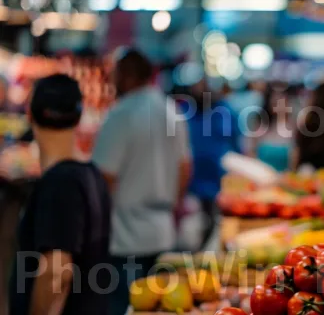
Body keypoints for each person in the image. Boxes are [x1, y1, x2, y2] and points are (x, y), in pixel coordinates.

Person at [92, 48, 191, 315]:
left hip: (125, 238)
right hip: (162, 232)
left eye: (114, 76)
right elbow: (185, 167)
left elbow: (104, 178)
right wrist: (175, 205)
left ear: (125, 76)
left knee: (123, 307)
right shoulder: (171, 111)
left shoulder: (120, 115)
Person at [10, 74, 111, 315]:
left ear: (31, 114)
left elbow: (56, 274)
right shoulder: (91, 174)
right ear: (78, 117)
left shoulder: (60, 183)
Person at [185, 79, 241, 250]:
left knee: (217, 228)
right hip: (194, 184)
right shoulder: (186, 113)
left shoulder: (226, 112)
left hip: (220, 183)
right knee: (197, 229)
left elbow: (237, 147)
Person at [250, 85, 295, 172]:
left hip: (286, 179)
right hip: (261, 178)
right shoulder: (259, 126)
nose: (277, 100)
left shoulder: (294, 128)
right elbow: (251, 154)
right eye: (274, 98)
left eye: (282, 97)